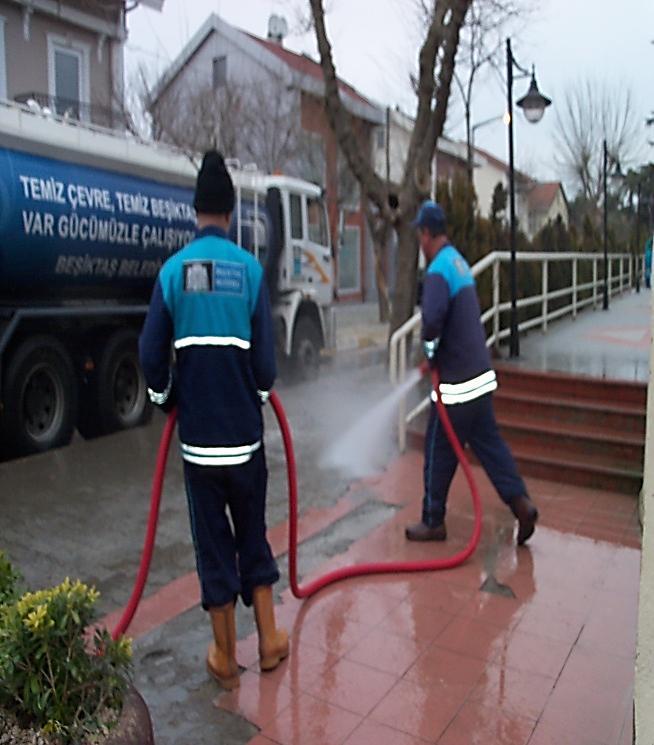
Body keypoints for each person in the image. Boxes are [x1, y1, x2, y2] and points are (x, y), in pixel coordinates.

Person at [139, 151, 288, 690]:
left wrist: (165, 398)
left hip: (200, 449)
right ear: (229, 213)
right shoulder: (249, 271)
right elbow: (267, 367)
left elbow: (150, 353)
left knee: (214, 546)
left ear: (196, 210)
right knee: (253, 534)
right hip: (246, 444)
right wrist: (260, 394)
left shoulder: (173, 273)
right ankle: (270, 641)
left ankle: (227, 659)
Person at [405, 200, 538, 546]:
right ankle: (521, 503)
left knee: (438, 448)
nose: (419, 242)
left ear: (426, 233)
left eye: (420, 234)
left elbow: (432, 323)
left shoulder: (437, 269)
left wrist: (431, 356)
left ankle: (433, 521)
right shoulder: (459, 263)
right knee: (491, 446)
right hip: (480, 375)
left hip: (457, 384)